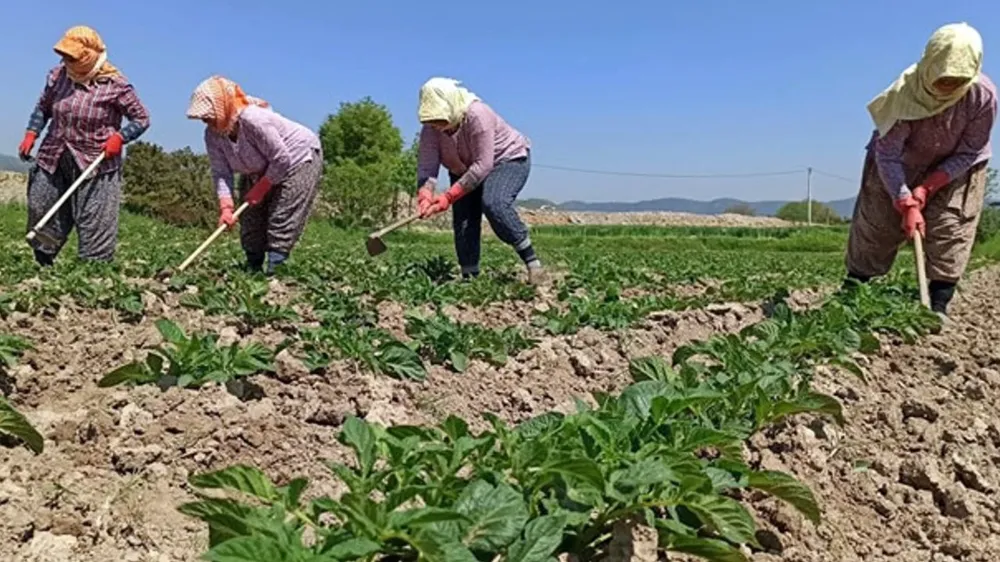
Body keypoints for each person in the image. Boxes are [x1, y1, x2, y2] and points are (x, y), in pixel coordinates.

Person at [845, 22, 996, 318]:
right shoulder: (904, 94)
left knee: (950, 226)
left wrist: (927, 188)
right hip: (899, 161)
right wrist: (905, 201)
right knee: (876, 224)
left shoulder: (983, 97)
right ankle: (852, 296)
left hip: (956, 167)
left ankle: (937, 305)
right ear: (929, 64)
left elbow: (969, 150)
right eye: (943, 79)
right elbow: (887, 154)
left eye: (957, 80)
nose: (947, 87)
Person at [17, 25, 150, 265]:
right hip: (54, 153)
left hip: (95, 161)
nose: (66, 60)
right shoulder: (57, 77)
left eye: (72, 57)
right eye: (64, 56)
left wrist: (120, 138)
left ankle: (92, 270)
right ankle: (44, 259)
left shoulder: (116, 85)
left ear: (89, 56)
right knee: (42, 203)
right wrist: (31, 132)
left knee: (94, 216)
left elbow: (142, 119)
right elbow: (43, 107)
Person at [186, 76, 323, 275]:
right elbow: (221, 171)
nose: (205, 120)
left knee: (281, 216)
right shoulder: (213, 134)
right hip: (259, 167)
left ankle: (275, 271)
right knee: (250, 217)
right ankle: (252, 268)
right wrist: (226, 207)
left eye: (208, 115)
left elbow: (281, 158)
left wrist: (263, 186)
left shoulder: (253, 120)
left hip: (297, 158)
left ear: (222, 106)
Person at [415, 77, 546, 284]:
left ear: (451, 106)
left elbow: (483, 165)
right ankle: (470, 276)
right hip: (463, 167)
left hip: (505, 160)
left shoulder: (477, 115)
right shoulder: (430, 129)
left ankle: (533, 263)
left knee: (494, 203)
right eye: (432, 121)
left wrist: (448, 197)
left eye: (441, 120)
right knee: (464, 218)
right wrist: (425, 195)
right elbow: (427, 166)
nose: (438, 127)